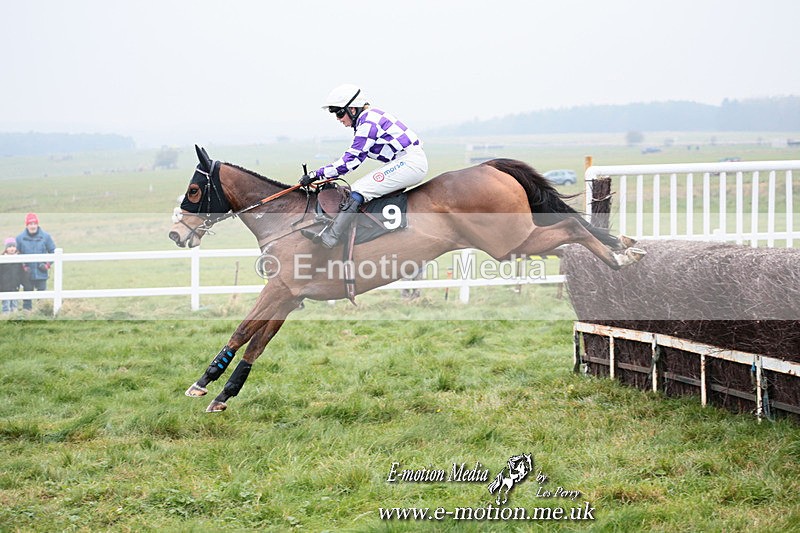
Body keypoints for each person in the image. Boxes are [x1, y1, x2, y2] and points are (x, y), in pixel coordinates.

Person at [300, 84, 428, 248]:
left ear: (352, 109)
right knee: (360, 188)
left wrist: (316, 174)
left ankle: (332, 236)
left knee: (359, 190)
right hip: (405, 161)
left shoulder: (368, 122)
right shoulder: (368, 119)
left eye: (339, 113)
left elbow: (351, 161)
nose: (339, 119)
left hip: (410, 163)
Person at [16, 213, 56, 311]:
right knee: (27, 297)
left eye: (35, 223)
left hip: (41, 272)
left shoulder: (46, 237)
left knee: (41, 296)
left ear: (37, 224)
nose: (33, 226)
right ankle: (26, 314)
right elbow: (16, 254)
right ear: (27, 225)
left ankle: (41, 314)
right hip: (26, 273)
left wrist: (47, 265)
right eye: (30, 224)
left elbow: (53, 252)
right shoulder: (19, 238)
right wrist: (23, 267)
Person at [0, 237, 25, 313]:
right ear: (6, 248)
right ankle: (6, 315)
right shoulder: (2, 259)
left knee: (14, 302)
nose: (12, 248)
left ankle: (14, 314)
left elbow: (21, 272)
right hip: (5, 285)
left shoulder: (19, 258)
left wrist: (21, 282)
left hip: (15, 284)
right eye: (9, 246)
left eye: (13, 246)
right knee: (6, 303)